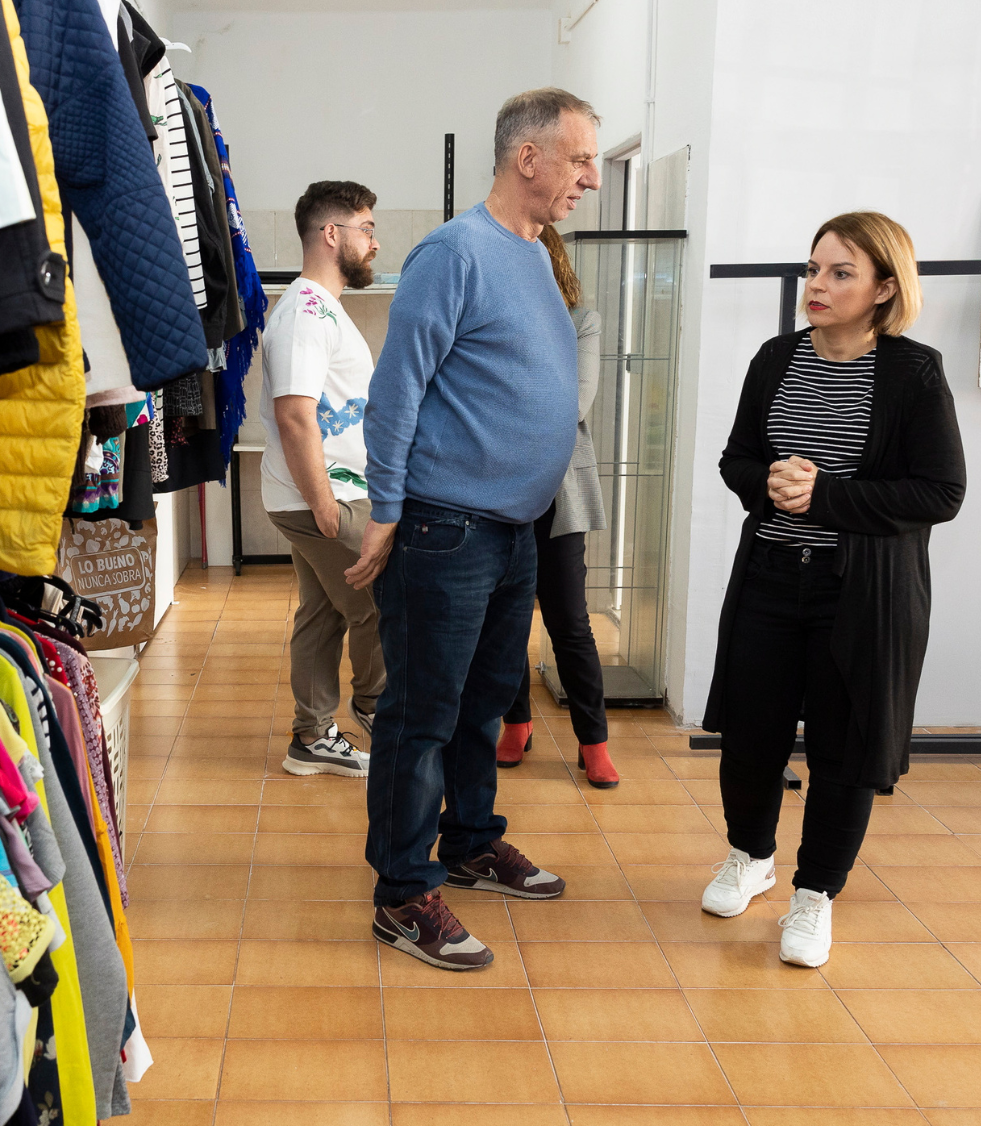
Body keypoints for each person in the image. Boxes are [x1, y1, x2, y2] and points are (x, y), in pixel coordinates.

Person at [346, 88, 600, 971]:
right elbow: (397, 391)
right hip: (445, 528)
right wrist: (385, 511)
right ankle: (401, 892)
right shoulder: (453, 254)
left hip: (515, 530)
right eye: (580, 159)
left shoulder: (534, 255)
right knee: (421, 714)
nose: (591, 178)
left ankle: (470, 840)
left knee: (483, 702)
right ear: (529, 157)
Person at [699, 211, 965, 969]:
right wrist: (769, 482)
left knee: (844, 749)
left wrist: (826, 495)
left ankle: (815, 893)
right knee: (751, 736)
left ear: (884, 288)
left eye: (841, 272)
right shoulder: (776, 357)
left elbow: (940, 493)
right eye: (814, 268)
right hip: (770, 577)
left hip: (863, 594)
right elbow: (738, 458)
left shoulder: (914, 372)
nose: (816, 284)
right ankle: (751, 856)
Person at [260, 180, 384, 778]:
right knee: (380, 602)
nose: (375, 243)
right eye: (367, 229)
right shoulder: (305, 314)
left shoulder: (322, 307)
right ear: (331, 234)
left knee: (323, 612)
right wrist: (326, 506)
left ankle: (310, 737)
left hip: (328, 492)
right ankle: (381, 711)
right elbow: (294, 415)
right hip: (325, 496)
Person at [496, 225, 619, 788]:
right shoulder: (494, 319)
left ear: (552, 262)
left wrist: (504, 406)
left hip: (558, 494)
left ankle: (594, 742)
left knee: (569, 621)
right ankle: (516, 722)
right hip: (498, 492)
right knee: (504, 621)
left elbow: (574, 403)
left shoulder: (582, 321)